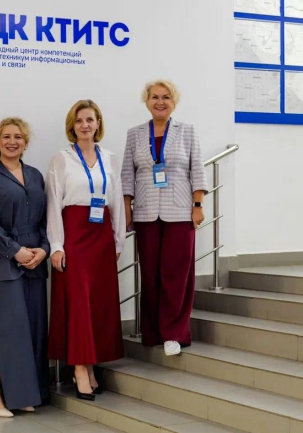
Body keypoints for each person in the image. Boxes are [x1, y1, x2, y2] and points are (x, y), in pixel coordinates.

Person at [121, 80, 208, 356]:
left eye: (166, 97)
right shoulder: (135, 134)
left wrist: (197, 204)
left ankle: (174, 334)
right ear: (146, 101)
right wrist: (126, 210)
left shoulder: (187, 131)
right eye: (155, 97)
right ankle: (153, 332)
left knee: (176, 274)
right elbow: (127, 174)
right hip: (146, 212)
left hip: (180, 212)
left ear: (174, 101)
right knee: (150, 274)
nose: (160, 102)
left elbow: (197, 170)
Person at [46, 100, 126, 401]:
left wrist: (118, 240)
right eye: (79, 120)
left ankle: (91, 365)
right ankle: (79, 368)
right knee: (78, 302)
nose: (85, 125)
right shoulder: (62, 158)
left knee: (96, 303)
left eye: (90, 120)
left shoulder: (109, 157)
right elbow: (53, 202)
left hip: (101, 236)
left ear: (98, 123)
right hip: (74, 235)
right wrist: (56, 245)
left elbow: (116, 201)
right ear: (72, 125)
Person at [0, 118, 50, 417]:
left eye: (18, 137)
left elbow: (45, 219)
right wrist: (14, 250)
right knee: (8, 330)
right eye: (6, 136)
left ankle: (21, 395)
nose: (12, 141)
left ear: (25, 142)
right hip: (1, 261)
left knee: (32, 329)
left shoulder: (35, 175)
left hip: (35, 261)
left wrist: (44, 249)